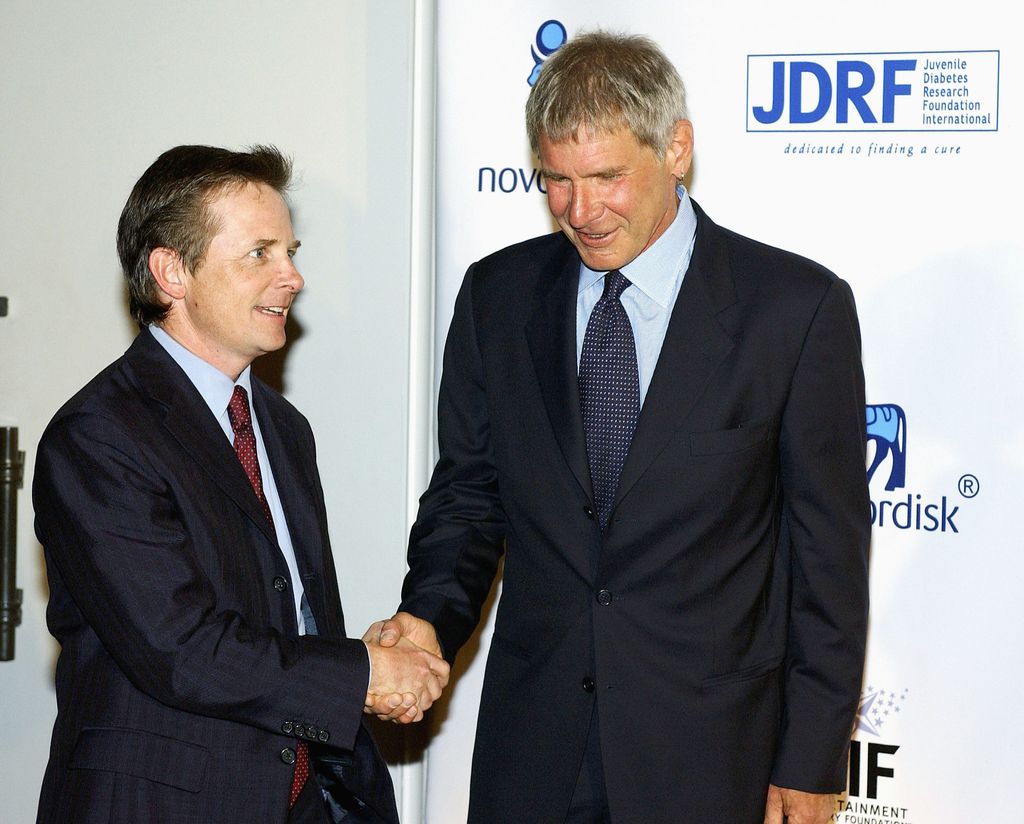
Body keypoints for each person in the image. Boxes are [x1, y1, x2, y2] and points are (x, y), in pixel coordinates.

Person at [368, 31, 870, 824]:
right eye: (557, 181)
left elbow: (828, 564)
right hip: (533, 751)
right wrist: (428, 618)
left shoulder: (794, 310)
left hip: (710, 757)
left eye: (606, 177)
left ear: (676, 149)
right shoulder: (496, 298)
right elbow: (469, 497)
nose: (581, 210)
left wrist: (811, 760)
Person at [33, 144, 449, 824]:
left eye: (291, 250)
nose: (293, 277)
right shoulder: (99, 435)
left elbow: (293, 617)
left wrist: (376, 669)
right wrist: (364, 675)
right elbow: (182, 651)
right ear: (172, 271)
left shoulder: (283, 429)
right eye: (261, 253)